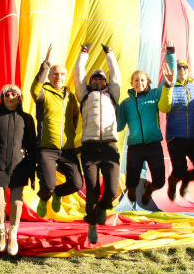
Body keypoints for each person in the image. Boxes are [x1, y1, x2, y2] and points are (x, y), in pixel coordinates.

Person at [0, 84, 37, 256]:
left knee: (16, 202)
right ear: (2, 98)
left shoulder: (27, 119)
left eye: (14, 94)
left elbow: (32, 146)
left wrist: (32, 171)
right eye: (7, 94)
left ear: (19, 98)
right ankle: (1, 231)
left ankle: (13, 233)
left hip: (19, 166)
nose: (10, 96)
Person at [74, 43, 121, 244]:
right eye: (94, 78)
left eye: (101, 78)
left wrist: (109, 53)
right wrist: (84, 53)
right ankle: (92, 223)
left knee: (111, 190)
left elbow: (116, 75)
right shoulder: (84, 95)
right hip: (90, 147)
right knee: (92, 189)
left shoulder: (112, 95)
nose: (97, 81)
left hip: (110, 147)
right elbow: (78, 74)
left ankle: (103, 207)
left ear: (106, 82)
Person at [30, 44, 82, 218]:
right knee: (48, 184)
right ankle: (44, 197)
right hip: (47, 148)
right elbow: (34, 89)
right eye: (55, 74)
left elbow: (74, 118)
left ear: (66, 77)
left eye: (61, 74)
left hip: (67, 149)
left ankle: (58, 194)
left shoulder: (70, 96)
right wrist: (46, 64)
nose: (58, 77)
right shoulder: (43, 92)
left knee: (77, 184)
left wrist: (70, 136)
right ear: (50, 76)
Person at [117, 60, 174, 207]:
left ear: (147, 82)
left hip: (153, 144)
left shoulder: (154, 94)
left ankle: (149, 189)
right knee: (131, 182)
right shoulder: (126, 104)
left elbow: (167, 78)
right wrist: (114, 108)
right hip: (135, 146)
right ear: (131, 83)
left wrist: (170, 53)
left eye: (142, 80)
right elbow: (119, 126)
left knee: (160, 182)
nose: (139, 83)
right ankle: (131, 189)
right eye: (136, 80)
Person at [159, 44, 194, 200]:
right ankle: (173, 182)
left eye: (184, 68)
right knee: (179, 170)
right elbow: (164, 107)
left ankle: (186, 180)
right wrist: (168, 87)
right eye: (179, 68)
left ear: (188, 70)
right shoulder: (168, 86)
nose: (182, 70)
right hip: (176, 136)